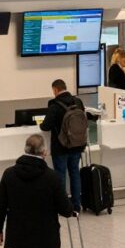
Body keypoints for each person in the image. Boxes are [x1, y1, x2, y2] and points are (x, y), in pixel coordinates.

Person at [39, 79, 87, 212]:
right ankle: (77, 205)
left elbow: (45, 126)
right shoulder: (78, 102)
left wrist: (40, 124)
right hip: (77, 144)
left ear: (55, 90)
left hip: (61, 147)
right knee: (75, 173)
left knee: (60, 175)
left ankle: (62, 206)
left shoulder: (54, 105)